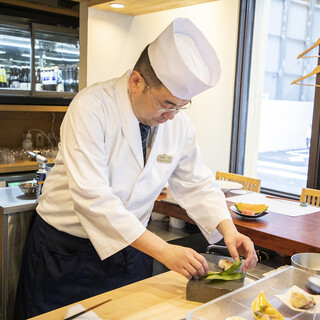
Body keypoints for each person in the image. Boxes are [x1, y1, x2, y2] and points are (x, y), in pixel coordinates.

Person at [14, 18, 258, 319]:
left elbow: (197, 183)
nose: (172, 116)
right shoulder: (92, 107)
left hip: (133, 250)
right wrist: (165, 251)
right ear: (135, 81)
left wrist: (228, 230)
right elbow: (93, 197)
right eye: (166, 103)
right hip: (66, 253)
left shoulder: (176, 122)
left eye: (181, 106)